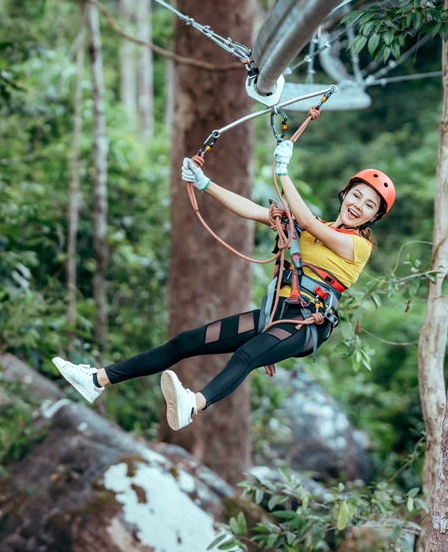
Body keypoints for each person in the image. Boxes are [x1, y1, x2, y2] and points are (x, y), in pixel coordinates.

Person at [53, 106, 395, 432]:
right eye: (357, 195)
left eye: (369, 205)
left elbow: (304, 218)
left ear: (373, 218)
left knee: (245, 356)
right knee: (184, 342)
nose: (358, 206)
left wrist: (283, 173)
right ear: (346, 192)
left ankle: (194, 404)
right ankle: (97, 380)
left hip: (303, 325)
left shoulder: (357, 247)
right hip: (276, 314)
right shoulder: (313, 227)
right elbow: (252, 209)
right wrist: (205, 184)